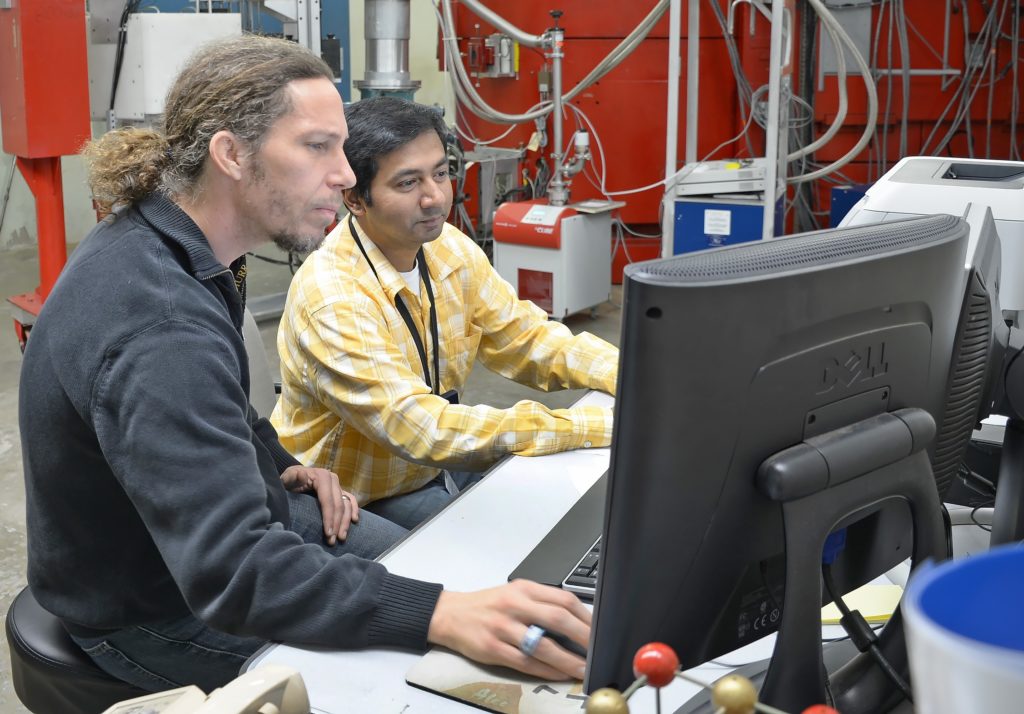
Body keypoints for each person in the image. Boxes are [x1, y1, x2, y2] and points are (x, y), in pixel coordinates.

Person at [18, 35, 589, 694]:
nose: (346, 175)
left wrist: (283, 461)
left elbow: (225, 403)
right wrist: (438, 616)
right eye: (317, 147)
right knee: (439, 673)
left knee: (456, 591)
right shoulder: (159, 326)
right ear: (231, 155)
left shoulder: (175, 244)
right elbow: (236, 575)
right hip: (154, 608)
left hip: (225, 544)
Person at [272, 96, 619, 530]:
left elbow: (526, 338)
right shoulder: (333, 296)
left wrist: (628, 375)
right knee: (494, 552)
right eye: (407, 183)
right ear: (356, 199)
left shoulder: (447, 247)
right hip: (350, 495)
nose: (435, 198)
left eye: (440, 173)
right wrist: (589, 425)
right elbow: (420, 428)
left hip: (426, 466)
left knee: (560, 510)